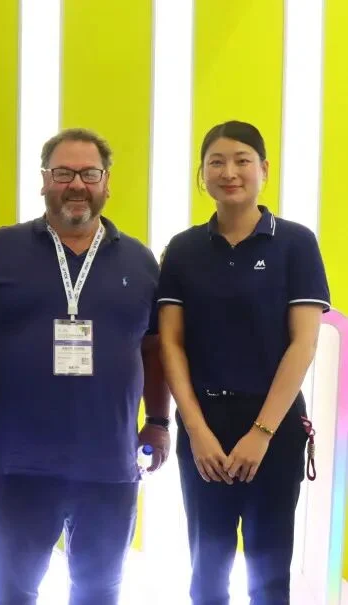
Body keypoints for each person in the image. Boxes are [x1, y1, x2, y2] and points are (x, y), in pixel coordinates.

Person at [0, 127, 170, 605]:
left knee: (99, 592)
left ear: (107, 183)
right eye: (63, 173)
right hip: (19, 464)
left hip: (109, 466)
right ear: (44, 180)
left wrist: (160, 421)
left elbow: (154, 348)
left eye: (89, 173)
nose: (76, 184)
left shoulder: (140, 261)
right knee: (9, 591)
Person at [158, 120, 330, 604]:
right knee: (207, 569)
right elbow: (171, 344)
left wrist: (262, 433)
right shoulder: (184, 250)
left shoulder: (295, 243)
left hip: (274, 424)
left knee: (269, 572)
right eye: (216, 162)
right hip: (204, 426)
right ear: (202, 174)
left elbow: (303, 344)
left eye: (242, 160)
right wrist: (196, 431)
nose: (229, 172)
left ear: (264, 169)